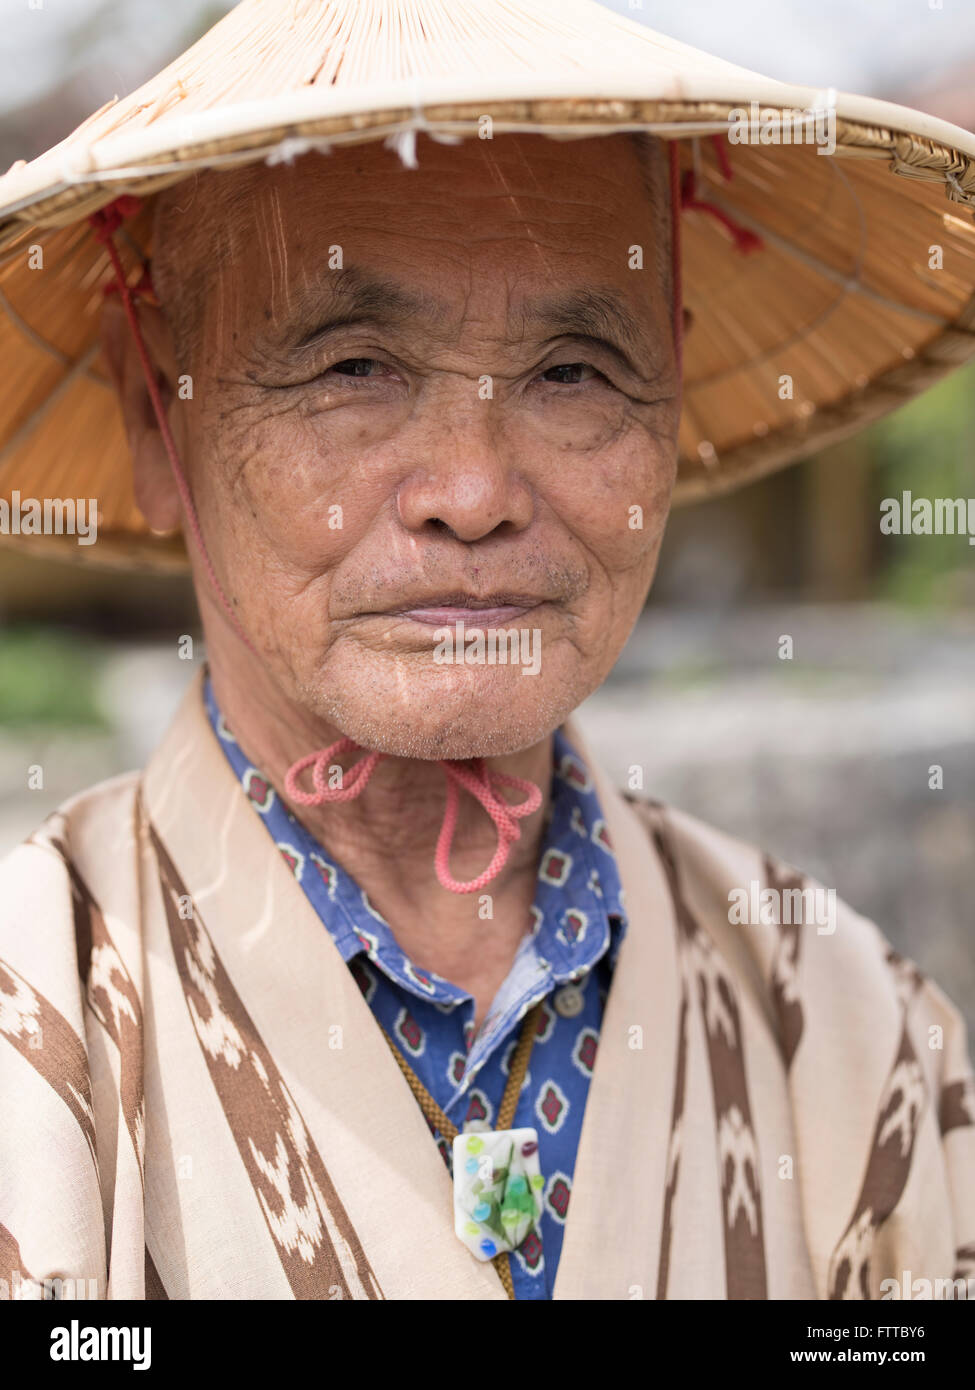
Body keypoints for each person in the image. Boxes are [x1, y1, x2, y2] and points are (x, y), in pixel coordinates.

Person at [0, 0, 972, 1301]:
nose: (473, 487)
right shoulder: (34, 1038)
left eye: (576, 370)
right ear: (149, 404)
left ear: (669, 400)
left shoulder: (858, 1034)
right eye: (350, 365)